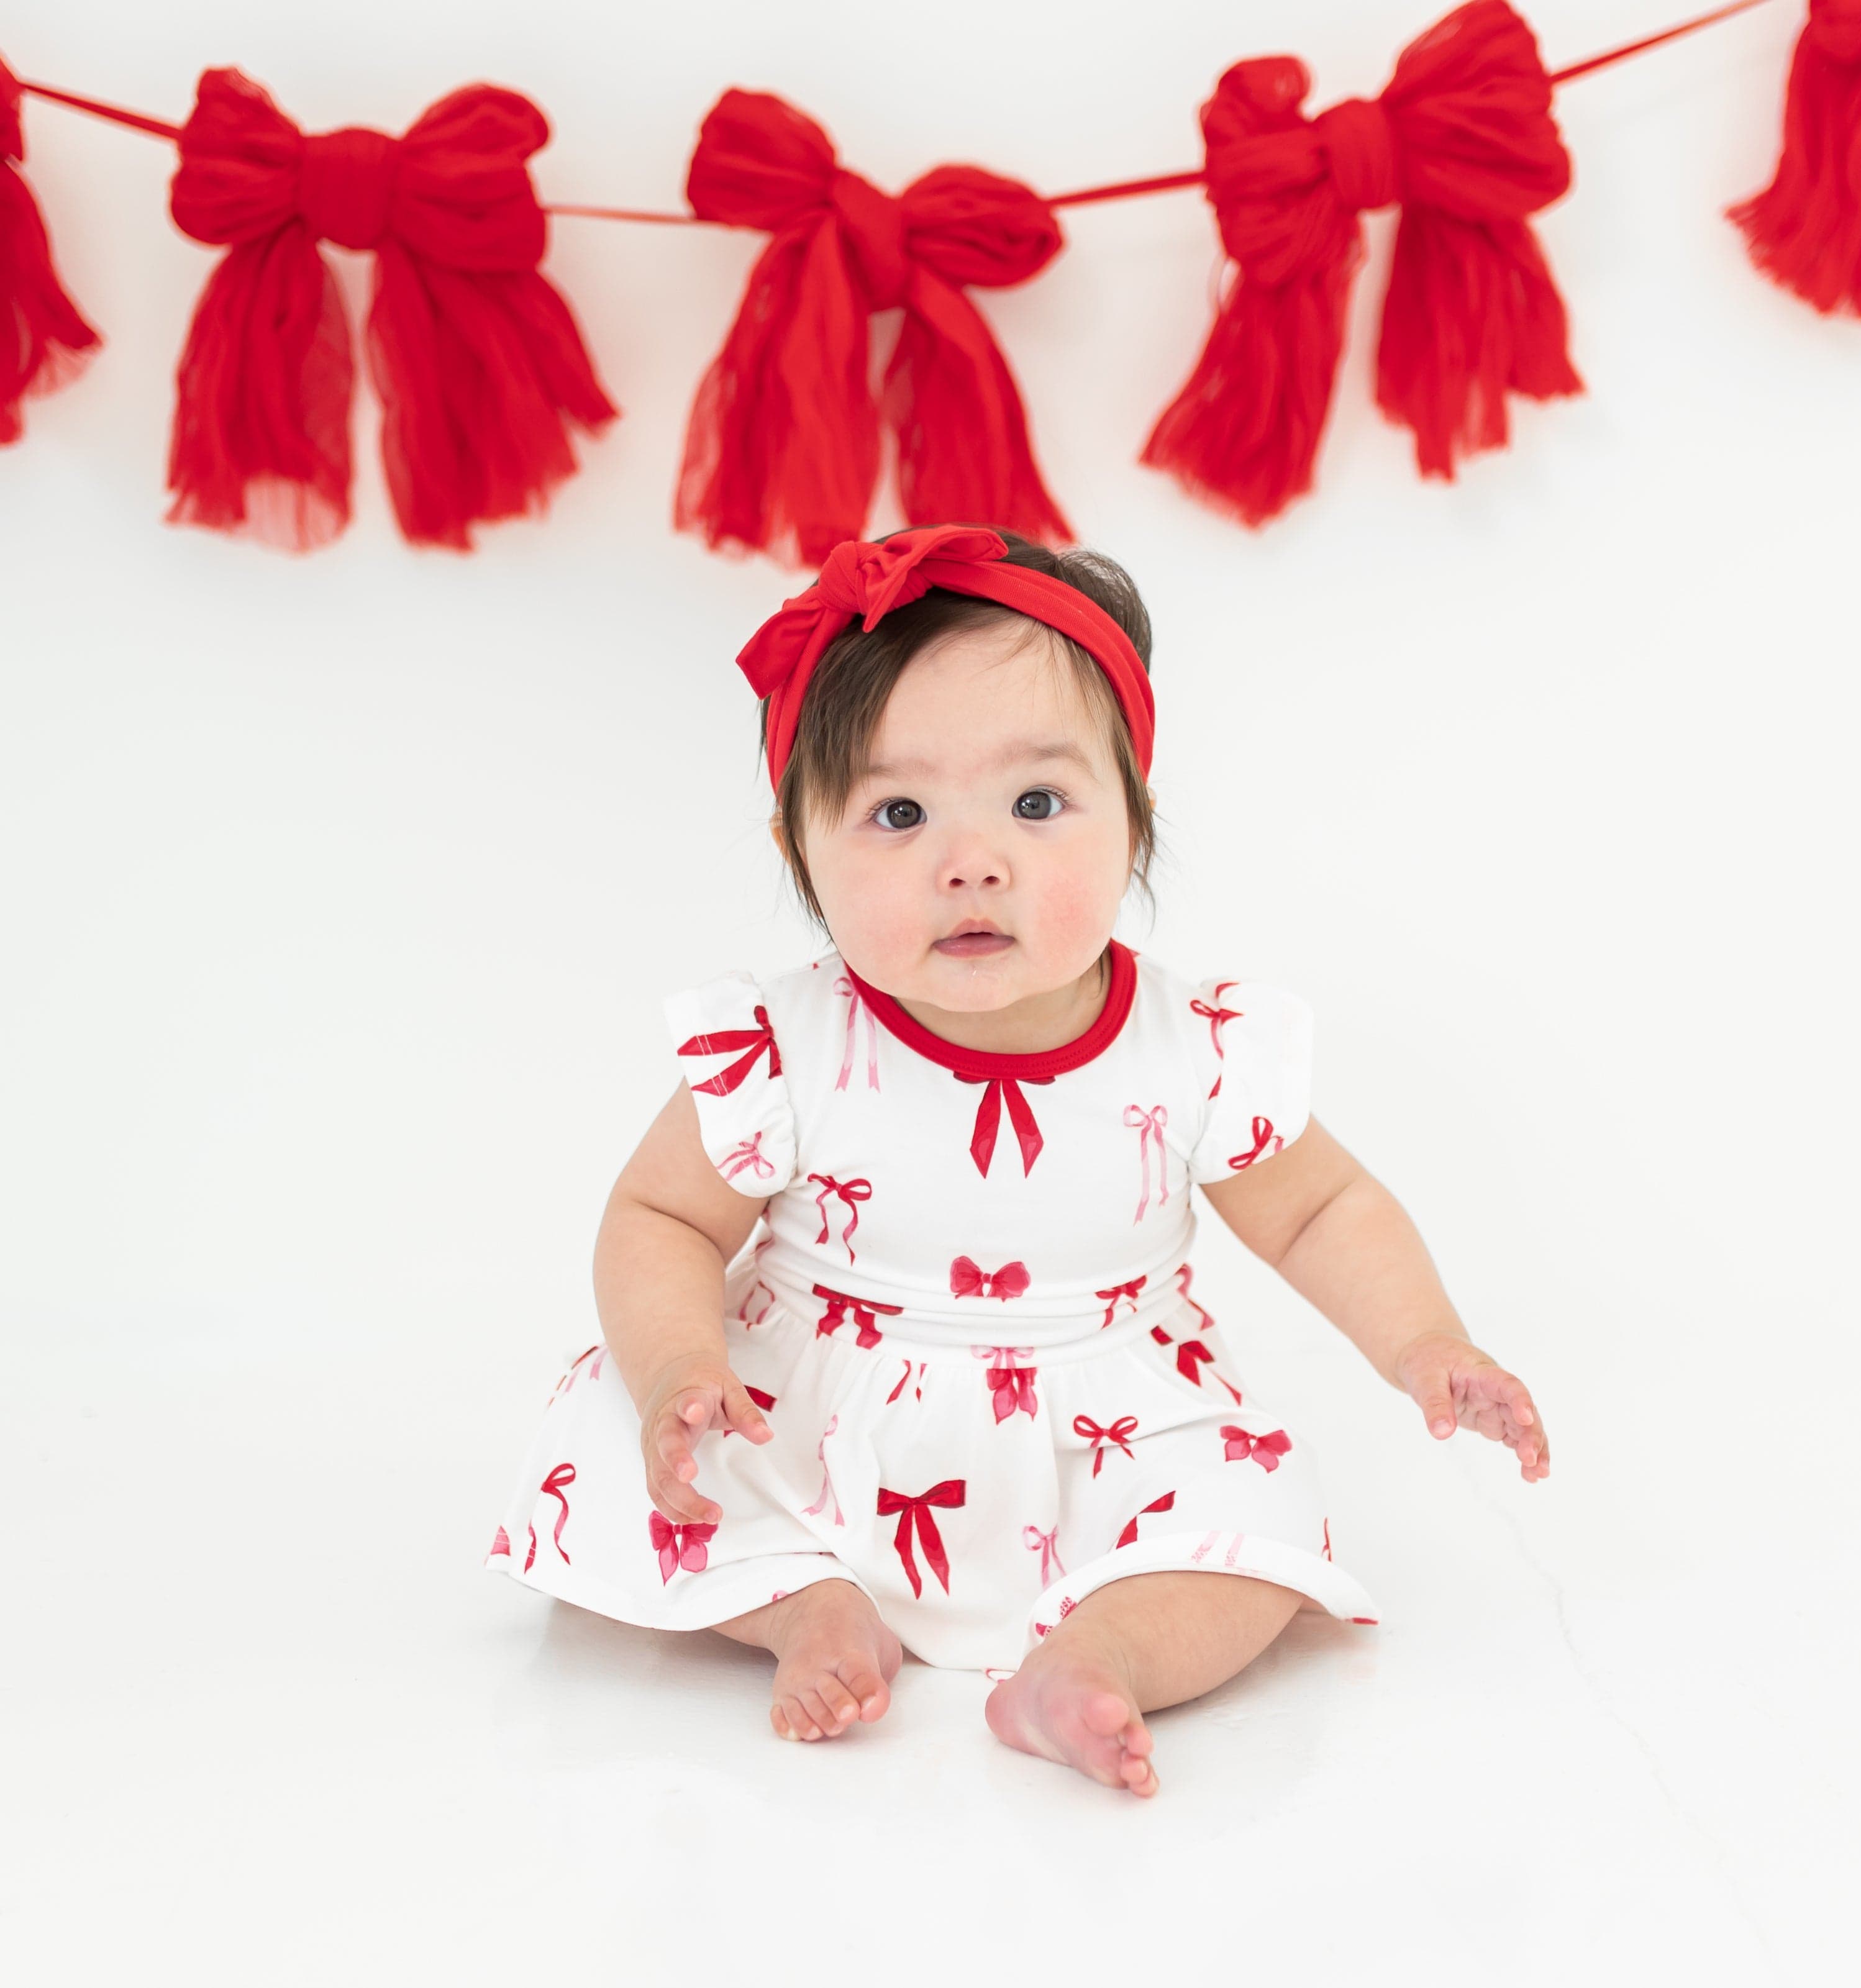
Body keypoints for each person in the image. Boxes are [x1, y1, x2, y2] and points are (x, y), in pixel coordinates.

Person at [486, 522, 1551, 1797]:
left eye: (1036, 803)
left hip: (1106, 1421)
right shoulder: (784, 1042)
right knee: (623, 1439)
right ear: (800, 853)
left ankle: (1095, 1653)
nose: (971, 859)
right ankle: (805, 1604)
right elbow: (661, 1214)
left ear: (1132, 819)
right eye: (896, 812)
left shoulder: (1193, 1047)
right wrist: (680, 1367)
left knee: (1257, 1531)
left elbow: (1317, 1205)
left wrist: (1424, 1340)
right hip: (819, 1407)